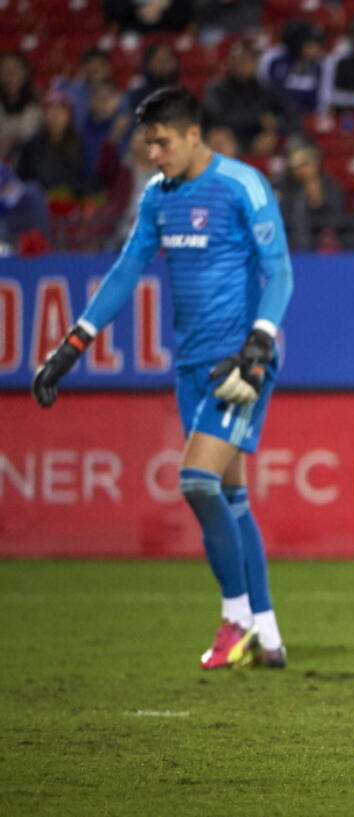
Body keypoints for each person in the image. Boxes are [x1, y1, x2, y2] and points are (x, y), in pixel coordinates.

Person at [30, 87, 293, 670]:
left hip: (239, 366)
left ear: (193, 134)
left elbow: (280, 273)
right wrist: (73, 344)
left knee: (197, 481)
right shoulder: (157, 197)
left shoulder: (242, 186)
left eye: (162, 141)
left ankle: (236, 620)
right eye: (148, 141)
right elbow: (126, 271)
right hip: (191, 365)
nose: (153, 152)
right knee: (232, 497)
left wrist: (258, 341)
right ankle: (268, 634)